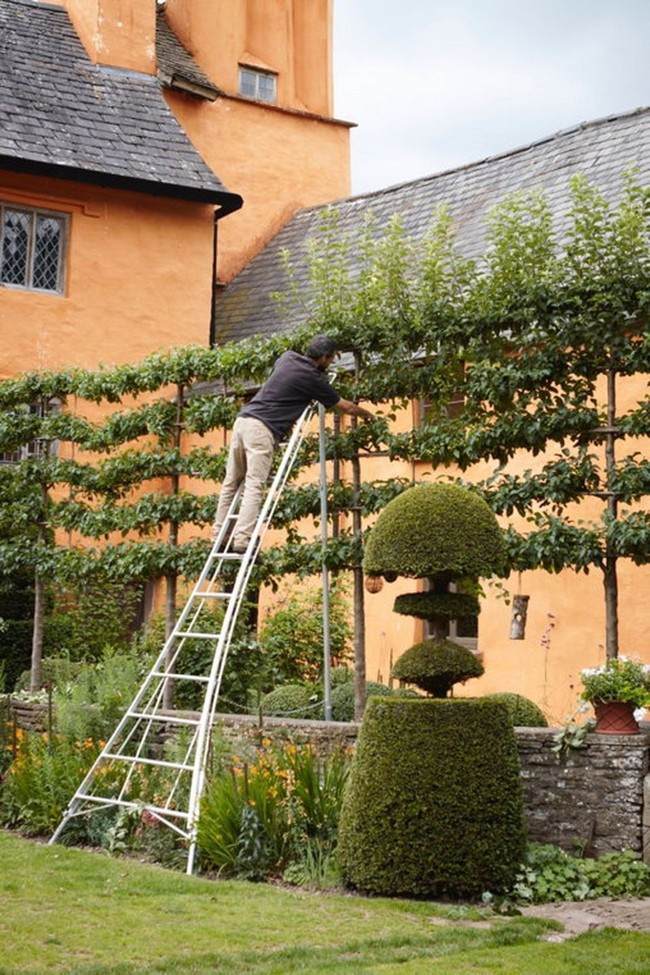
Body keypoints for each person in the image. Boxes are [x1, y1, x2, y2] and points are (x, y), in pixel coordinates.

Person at [212, 335, 374, 553]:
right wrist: (369, 415)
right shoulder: (314, 379)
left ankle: (219, 537)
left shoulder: (287, 357)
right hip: (262, 429)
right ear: (324, 357)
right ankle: (242, 540)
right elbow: (346, 407)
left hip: (243, 421)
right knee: (254, 484)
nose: (331, 363)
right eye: (331, 359)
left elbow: (285, 379)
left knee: (231, 483)